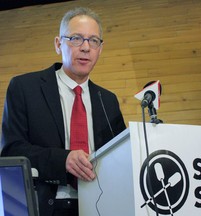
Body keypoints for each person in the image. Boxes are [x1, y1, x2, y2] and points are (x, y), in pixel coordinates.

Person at [0, 7, 126, 216]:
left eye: (93, 40)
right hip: (45, 207)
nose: (86, 47)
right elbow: (11, 151)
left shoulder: (108, 100)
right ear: (58, 44)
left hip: (101, 206)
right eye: (76, 38)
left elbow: (120, 155)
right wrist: (63, 160)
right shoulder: (24, 88)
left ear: (100, 49)